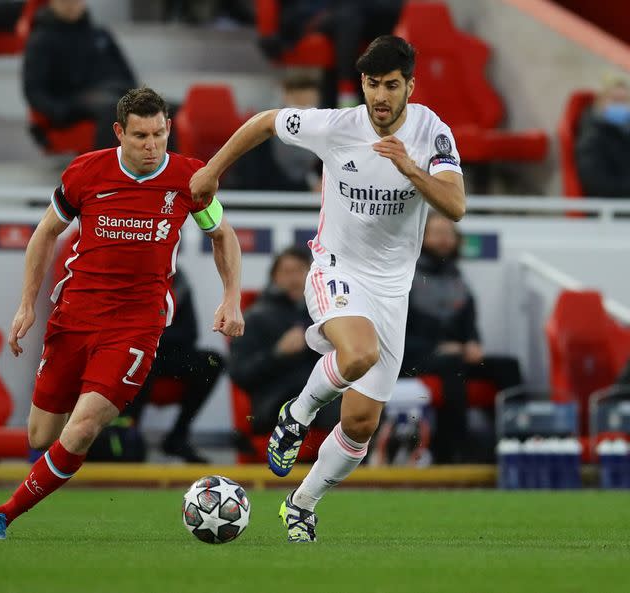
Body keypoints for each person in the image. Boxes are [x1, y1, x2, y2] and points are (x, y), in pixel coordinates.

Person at [190, 35, 466, 542]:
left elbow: (455, 205)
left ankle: (301, 503)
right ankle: (296, 415)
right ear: (360, 84)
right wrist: (211, 169)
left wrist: (409, 167)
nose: (379, 97)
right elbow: (266, 121)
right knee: (357, 353)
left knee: (361, 423)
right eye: (370, 85)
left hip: (391, 291)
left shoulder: (431, 131)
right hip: (335, 268)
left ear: (410, 86)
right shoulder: (339, 126)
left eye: (390, 85)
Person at [0, 87, 244, 540]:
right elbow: (44, 234)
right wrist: (26, 304)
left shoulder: (190, 178)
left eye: (159, 134)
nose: (151, 145)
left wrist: (231, 296)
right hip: (75, 316)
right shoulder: (86, 171)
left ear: (168, 129)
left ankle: (1, 515)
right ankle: (48, 471)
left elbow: (224, 236)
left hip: (136, 326)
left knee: (82, 429)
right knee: (43, 436)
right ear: (120, 132)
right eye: (140, 136)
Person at [401, 211, 522, 463]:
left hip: (455, 355)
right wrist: (440, 348)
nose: (444, 240)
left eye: (448, 234)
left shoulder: (458, 278)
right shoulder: (404, 277)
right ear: (421, 238)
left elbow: (469, 323)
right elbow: (398, 332)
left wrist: (473, 343)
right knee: (452, 365)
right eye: (436, 234)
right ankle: (453, 450)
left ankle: (515, 444)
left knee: (509, 367)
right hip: (415, 357)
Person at [229, 246, 340, 434]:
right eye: (287, 272)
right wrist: (278, 353)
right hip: (274, 404)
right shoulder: (256, 317)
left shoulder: (327, 314)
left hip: (321, 397)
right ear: (274, 278)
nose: (294, 279)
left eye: (300, 271)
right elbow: (240, 374)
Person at [125, 271, 225, 463]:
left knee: (211, 362)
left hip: (166, 352)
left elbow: (189, 333)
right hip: (134, 352)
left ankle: (178, 436)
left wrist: (152, 335)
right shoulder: (130, 274)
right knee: (140, 362)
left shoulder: (179, 281)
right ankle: (128, 437)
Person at [23, 0, 138, 150]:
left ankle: (164, 168)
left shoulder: (100, 34)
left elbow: (128, 75)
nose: (71, 5)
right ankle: (105, 170)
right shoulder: (41, 40)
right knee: (113, 109)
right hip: (72, 103)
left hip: (113, 93)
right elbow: (34, 91)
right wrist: (61, 111)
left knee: (159, 107)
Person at [258, 0, 406, 108]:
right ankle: (347, 92)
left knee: (386, 8)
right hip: (313, 13)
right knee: (349, 17)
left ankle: (375, 93)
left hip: (354, 11)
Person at [229, 73, 322, 192]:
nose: (303, 112)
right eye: (299, 104)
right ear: (286, 97)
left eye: (310, 105)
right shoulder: (262, 130)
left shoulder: (323, 130)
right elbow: (253, 177)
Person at [575, 74, 630, 198]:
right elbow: (599, 186)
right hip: (609, 211)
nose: (621, 105)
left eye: (625, 100)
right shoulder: (592, 138)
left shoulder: (624, 133)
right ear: (599, 102)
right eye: (616, 100)